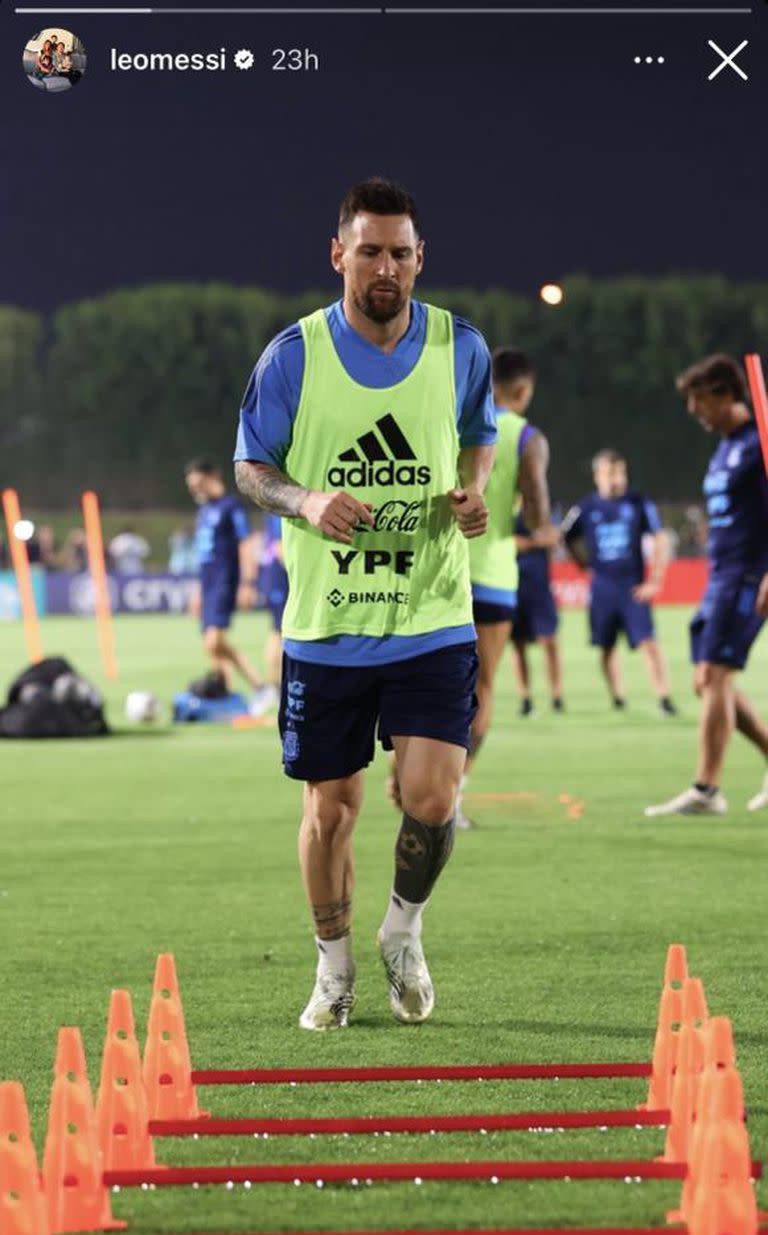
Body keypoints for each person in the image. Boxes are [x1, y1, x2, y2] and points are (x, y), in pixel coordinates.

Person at [234, 176, 494, 1030]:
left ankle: (403, 932)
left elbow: (479, 434)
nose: (387, 266)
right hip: (327, 625)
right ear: (338, 253)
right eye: (371, 249)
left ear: (422, 260)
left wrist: (471, 490)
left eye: (402, 252)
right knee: (330, 811)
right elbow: (251, 467)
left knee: (431, 797)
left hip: (430, 613)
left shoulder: (461, 347)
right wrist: (307, 501)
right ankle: (334, 969)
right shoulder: (292, 356)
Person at [646, 354, 768, 817]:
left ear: (724, 394)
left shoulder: (760, 444)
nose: (694, 411)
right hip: (721, 575)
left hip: (749, 574)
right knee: (706, 681)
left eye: (699, 400)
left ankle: (706, 789)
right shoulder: (725, 447)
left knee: (717, 675)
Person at [456, 347, 557, 827]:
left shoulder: (453, 418)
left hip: (440, 573)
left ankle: (409, 772)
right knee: (482, 688)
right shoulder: (526, 437)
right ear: (523, 391)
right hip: (493, 578)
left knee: (425, 682)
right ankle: (450, 798)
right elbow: (537, 517)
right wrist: (545, 532)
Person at [563, 450, 677, 715]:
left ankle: (664, 698)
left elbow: (659, 538)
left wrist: (656, 580)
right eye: (610, 473)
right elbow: (566, 536)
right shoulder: (586, 508)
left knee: (649, 643)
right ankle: (617, 697)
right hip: (602, 588)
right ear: (597, 476)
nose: (616, 479)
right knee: (606, 646)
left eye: (620, 473)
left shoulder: (638, 503)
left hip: (633, 587)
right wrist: (582, 563)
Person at [184, 459, 264, 694]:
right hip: (208, 583)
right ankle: (224, 689)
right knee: (210, 646)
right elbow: (203, 555)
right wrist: (198, 591)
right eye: (191, 487)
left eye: (197, 484)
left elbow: (246, 542)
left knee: (214, 641)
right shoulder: (204, 511)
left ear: (212, 477)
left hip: (225, 580)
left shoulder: (231, 507)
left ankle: (259, 686)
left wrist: (248, 582)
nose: (194, 490)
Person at [512, 507, 564, 717]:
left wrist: (528, 542)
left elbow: (554, 537)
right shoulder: (508, 509)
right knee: (519, 645)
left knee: (549, 641)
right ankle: (525, 698)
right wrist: (536, 540)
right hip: (513, 586)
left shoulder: (545, 508)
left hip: (541, 588)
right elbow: (509, 542)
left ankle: (557, 697)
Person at [255, 513, 288, 714]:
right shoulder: (281, 511)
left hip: (274, 577)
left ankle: (274, 687)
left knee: (277, 630)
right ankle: (273, 687)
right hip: (278, 577)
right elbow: (279, 547)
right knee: (278, 630)